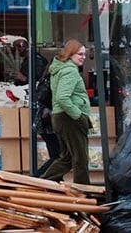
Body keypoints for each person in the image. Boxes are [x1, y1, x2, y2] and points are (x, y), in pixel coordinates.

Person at [40, 40, 93, 184]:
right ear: (70, 54)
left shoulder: (59, 69)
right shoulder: (70, 71)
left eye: (84, 54)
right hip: (69, 117)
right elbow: (62, 97)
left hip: (60, 117)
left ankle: (44, 182)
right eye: (80, 54)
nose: (83, 57)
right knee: (80, 157)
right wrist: (78, 115)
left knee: (67, 157)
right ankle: (83, 190)